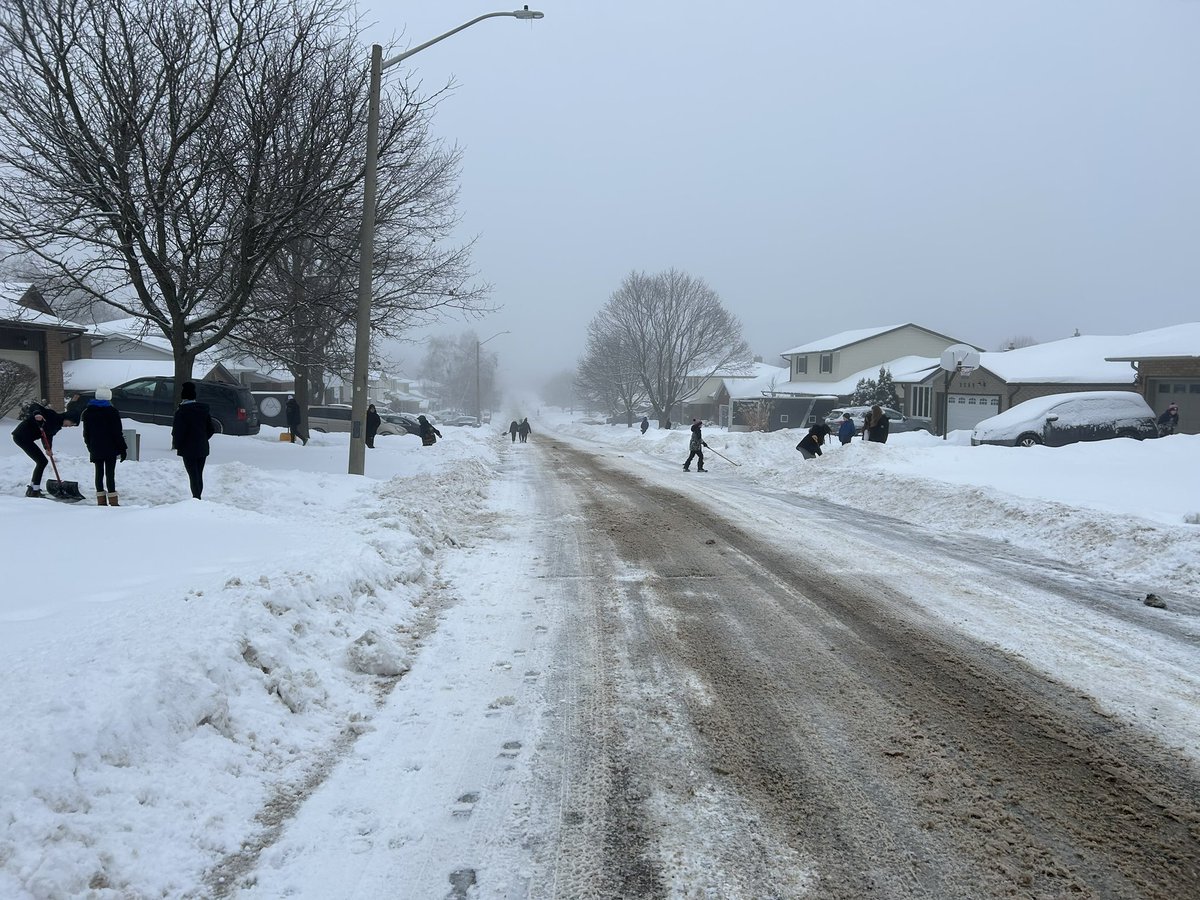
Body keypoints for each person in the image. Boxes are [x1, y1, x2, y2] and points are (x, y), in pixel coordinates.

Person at [10, 400, 76, 498]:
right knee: (42, 462)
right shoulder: (52, 415)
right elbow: (34, 405)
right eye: (72, 423)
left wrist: (48, 448)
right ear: (67, 418)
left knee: (42, 461)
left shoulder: (57, 425)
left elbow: (48, 435)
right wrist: (37, 414)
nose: (70, 426)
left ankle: (33, 488)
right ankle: (34, 490)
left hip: (26, 438)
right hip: (21, 436)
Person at [81, 387, 127, 506]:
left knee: (99, 472)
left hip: (96, 447)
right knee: (110, 473)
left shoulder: (87, 412)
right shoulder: (112, 412)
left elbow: (86, 433)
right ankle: (113, 500)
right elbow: (117, 432)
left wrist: (90, 446)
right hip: (111, 447)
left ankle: (101, 501)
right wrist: (123, 449)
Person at [172, 381, 215, 499]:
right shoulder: (203, 410)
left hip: (188, 449)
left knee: (192, 474)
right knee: (198, 473)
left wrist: (178, 444)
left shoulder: (181, 412)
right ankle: (198, 496)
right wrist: (203, 438)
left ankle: (196, 498)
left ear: (183, 397)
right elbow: (211, 429)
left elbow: (178, 431)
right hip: (202, 447)